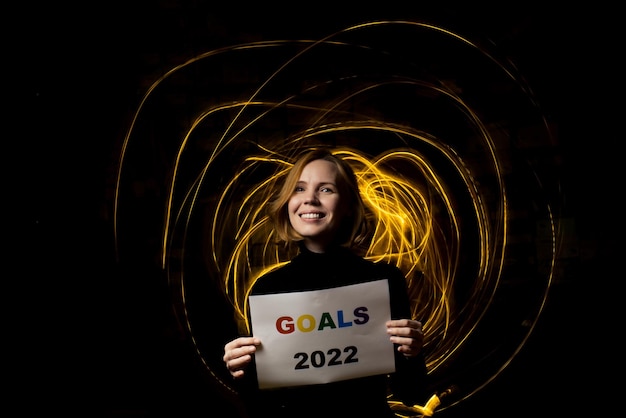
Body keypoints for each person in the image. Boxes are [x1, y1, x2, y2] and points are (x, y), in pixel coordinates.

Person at [223, 148, 428, 418]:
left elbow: (412, 394)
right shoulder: (267, 290)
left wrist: (412, 354)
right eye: (299, 188)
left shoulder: (384, 281)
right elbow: (261, 408)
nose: (310, 199)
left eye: (326, 189)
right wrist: (242, 371)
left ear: (347, 206)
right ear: (287, 202)